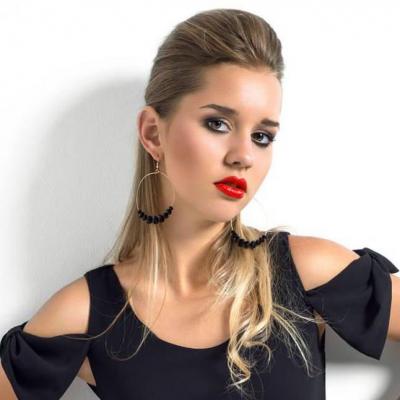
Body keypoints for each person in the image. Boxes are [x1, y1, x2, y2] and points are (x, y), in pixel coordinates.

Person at [1, 8, 399, 400]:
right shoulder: (88, 314)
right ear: (153, 133)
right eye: (218, 124)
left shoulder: (305, 271)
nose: (243, 155)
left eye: (262, 136)